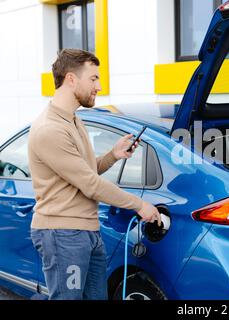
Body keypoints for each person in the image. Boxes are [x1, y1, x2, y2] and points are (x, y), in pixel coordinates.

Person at [28, 49, 161, 300]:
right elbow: (90, 184)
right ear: (71, 79)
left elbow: (83, 172)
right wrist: (139, 204)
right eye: (93, 79)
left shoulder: (73, 120)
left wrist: (113, 155)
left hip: (87, 233)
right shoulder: (50, 129)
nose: (99, 86)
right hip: (63, 235)